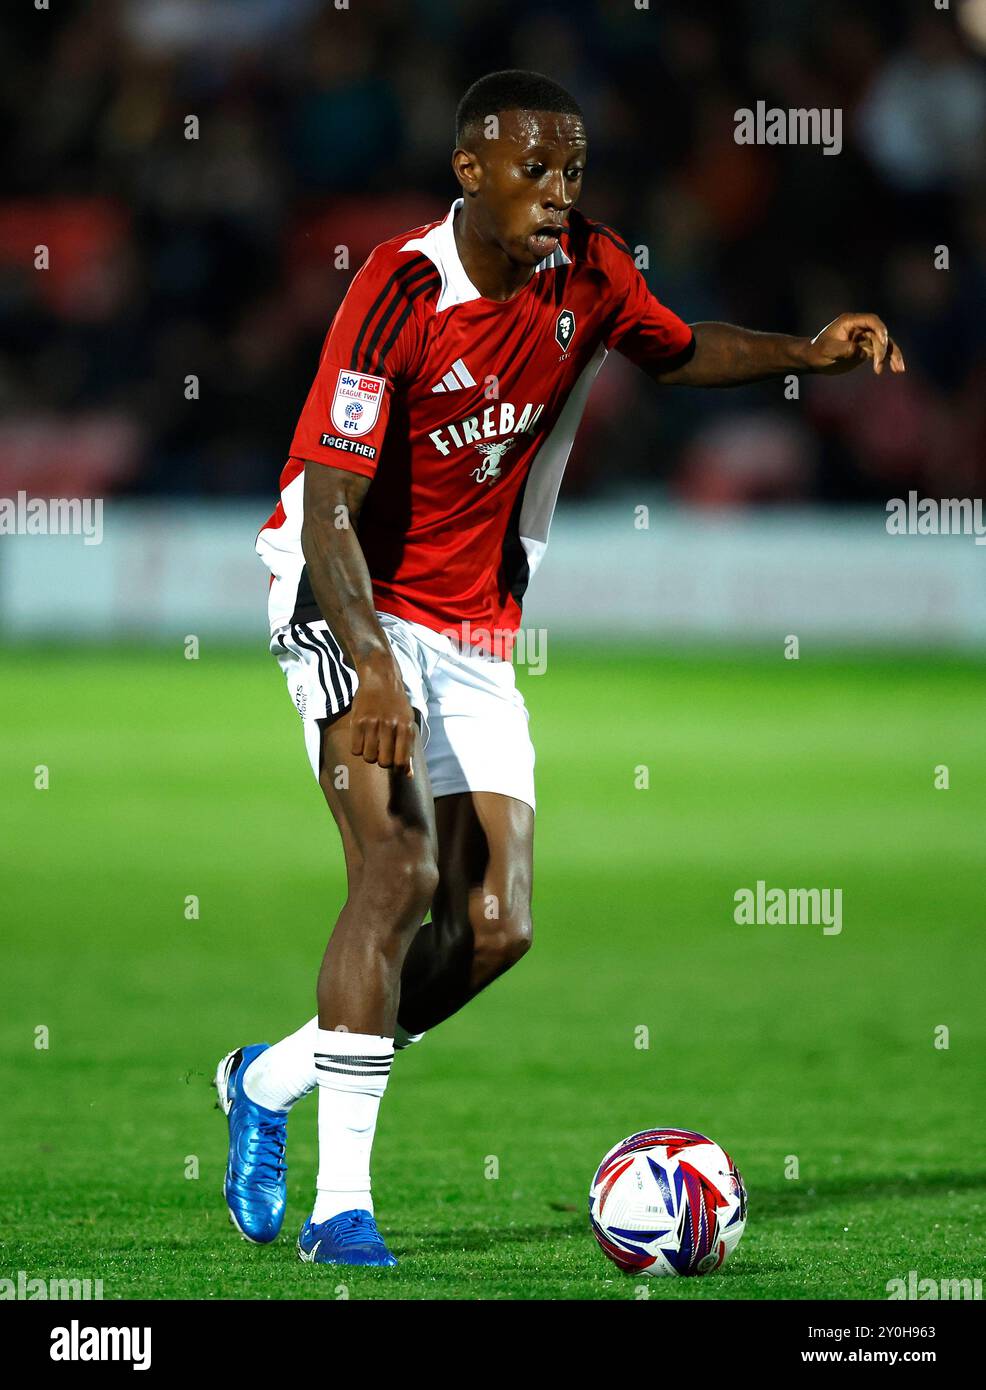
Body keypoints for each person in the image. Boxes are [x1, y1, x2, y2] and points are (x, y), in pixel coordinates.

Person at [217, 69, 905, 1269]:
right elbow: (329, 495)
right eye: (532, 169)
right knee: (397, 866)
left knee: (493, 927)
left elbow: (678, 351)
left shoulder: (589, 269)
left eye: (571, 170)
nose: (557, 192)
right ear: (468, 172)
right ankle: (342, 1211)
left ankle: (265, 1078)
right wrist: (371, 664)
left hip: (475, 623)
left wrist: (809, 351)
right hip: (344, 600)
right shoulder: (398, 288)